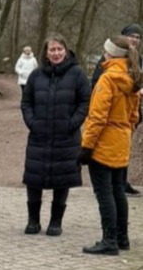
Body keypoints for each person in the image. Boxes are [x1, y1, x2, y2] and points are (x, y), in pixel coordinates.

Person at [78, 35, 143, 255]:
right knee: (118, 190)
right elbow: (135, 116)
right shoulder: (133, 78)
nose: (103, 54)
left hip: (104, 144)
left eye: (105, 51)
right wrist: (125, 133)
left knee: (104, 192)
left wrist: (86, 146)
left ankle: (109, 240)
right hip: (122, 141)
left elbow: (97, 117)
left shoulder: (107, 80)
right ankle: (122, 238)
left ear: (111, 54)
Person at [20, 35, 90, 236]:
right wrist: (32, 122)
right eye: (52, 49)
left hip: (66, 137)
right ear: (46, 52)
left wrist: (72, 123)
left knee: (63, 177)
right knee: (34, 177)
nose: (56, 53)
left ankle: (55, 222)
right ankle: (33, 220)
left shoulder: (77, 74)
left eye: (60, 49)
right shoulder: (36, 76)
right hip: (39, 135)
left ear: (66, 51)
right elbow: (26, 102)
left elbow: (85, 102)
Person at [91, 23, 143, 196]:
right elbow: (96, 84)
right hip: (112, 118)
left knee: (123, 150)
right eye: (131, 36)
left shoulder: (137, 61)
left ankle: (121, 184)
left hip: (127, 117)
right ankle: (114, 186)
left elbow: (135, 86)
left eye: (138, 37)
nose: (134, 40)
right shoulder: (108, 61)